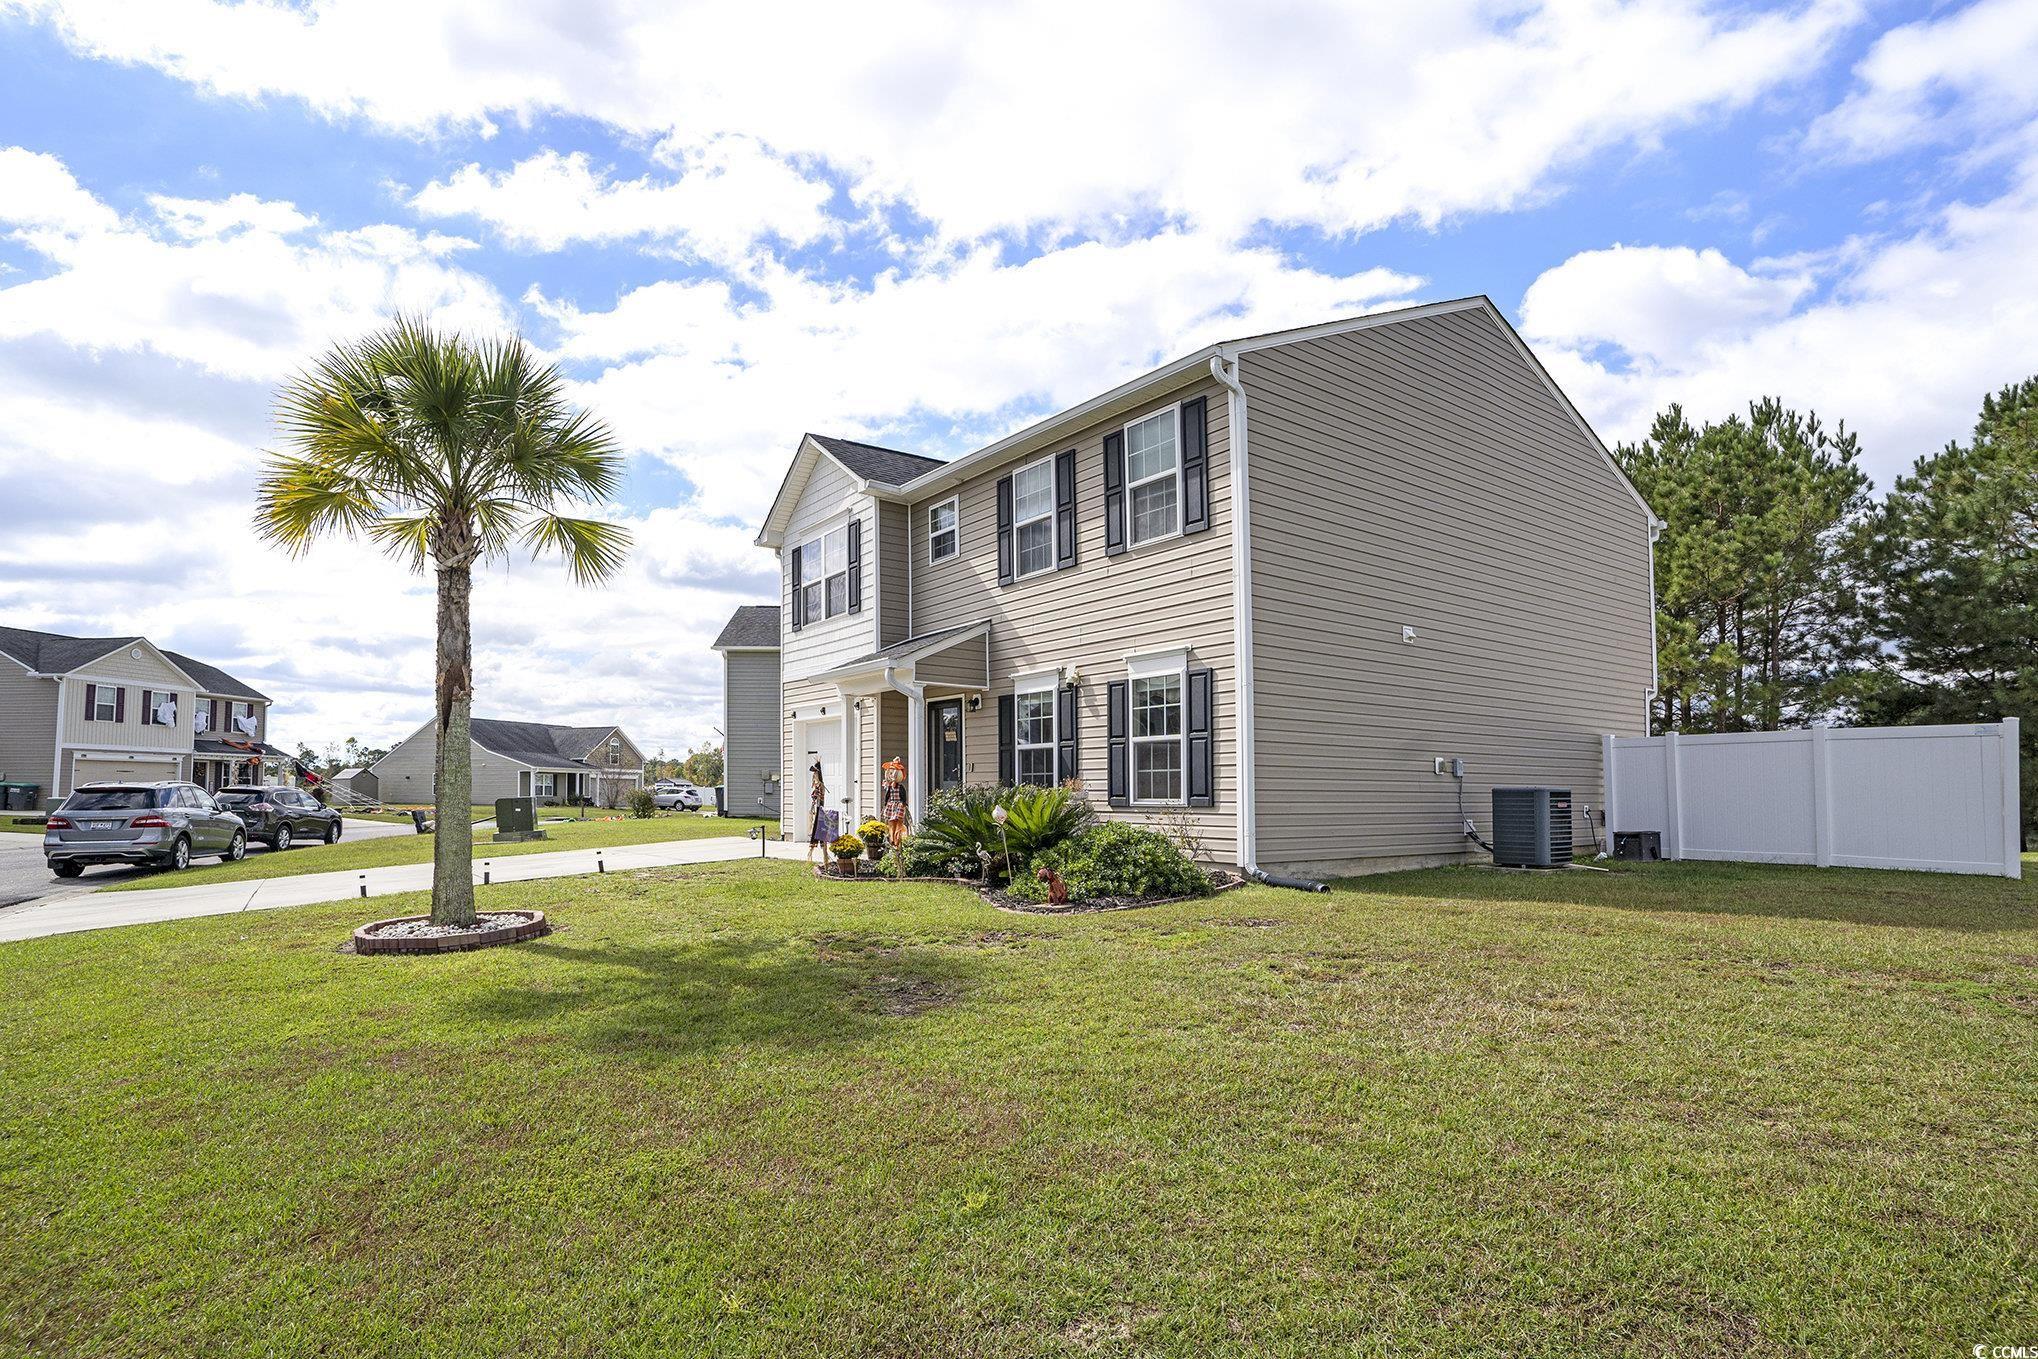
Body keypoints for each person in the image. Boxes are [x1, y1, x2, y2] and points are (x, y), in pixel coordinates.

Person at [805, 760, 827, 865]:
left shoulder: (820, 786)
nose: (814, 776)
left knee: (820, 832)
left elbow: (819, 799)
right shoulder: (816, 786)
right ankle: (814, 854)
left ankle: (824, 855)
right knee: (816, 832)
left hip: (820, 811)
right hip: (816, 810)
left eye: (815, 773)